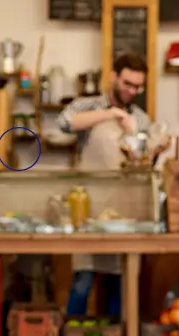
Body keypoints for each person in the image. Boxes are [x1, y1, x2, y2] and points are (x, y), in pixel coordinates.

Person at [57, 53, 170, 317]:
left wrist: (153, 150)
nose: (133, 91)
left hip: (124, 212)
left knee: (122, 284)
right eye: (128, 84)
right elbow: (65, 122)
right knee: (83, 283)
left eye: (137, 87)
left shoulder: (141, 118)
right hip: (88, 207)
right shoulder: (89, 105)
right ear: (114, 77)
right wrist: (111, 113)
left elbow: (142, 162)